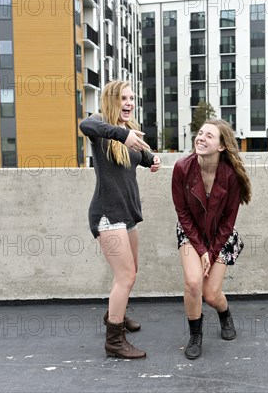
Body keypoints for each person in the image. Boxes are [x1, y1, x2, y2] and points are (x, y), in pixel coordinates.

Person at [80, 80, 161, 360]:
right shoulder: (101, 126)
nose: (129, 103)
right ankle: (114, 341)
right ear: (112, 100)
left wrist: (151, 158)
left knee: (130, 272)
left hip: (127, 216)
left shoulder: (128, 132)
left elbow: (138, 156)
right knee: (125, 276)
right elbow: (85, 126)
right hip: (107, 214)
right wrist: (121, 135)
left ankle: (117, 314)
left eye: (131, 98)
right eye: (124, 98)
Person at [171, 119, 252, 360]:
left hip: (220, 235)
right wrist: (200, 249)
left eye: (209, 136)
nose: (201, 138)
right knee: (194, 283)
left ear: (221, 146)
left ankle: (224, 314)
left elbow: (228, 221)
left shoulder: (231, 176)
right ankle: (196, 334)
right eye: (200, 133)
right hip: (190, 230)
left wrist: (211, 251)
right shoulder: (181, 168)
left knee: (212, 295)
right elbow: (182, 214)